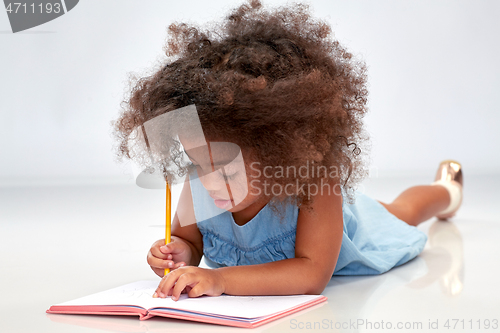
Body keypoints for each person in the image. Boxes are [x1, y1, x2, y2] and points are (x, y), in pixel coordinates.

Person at [111, 0, 463, 301]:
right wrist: (179, 254)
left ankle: (447, 191)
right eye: (198, 164)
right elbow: (191, 239)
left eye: (227, 170)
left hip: (352, 228)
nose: (210, 181)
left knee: (401, 211)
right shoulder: (204, 176)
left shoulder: (314, 184)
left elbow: (311, 275)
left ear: (280, 153)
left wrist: (220, 280)